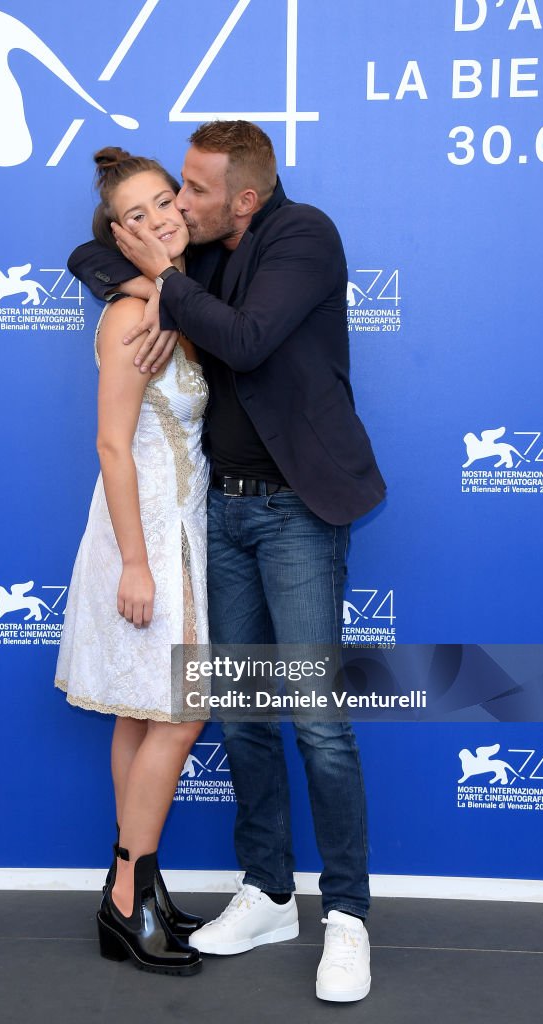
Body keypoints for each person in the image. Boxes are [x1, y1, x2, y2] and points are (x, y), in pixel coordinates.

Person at [68, 121, 386, 1003]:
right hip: (215, 517)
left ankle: (348, 917)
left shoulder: (300, 237)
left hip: (294, 512)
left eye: (189, 195)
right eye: (165, 199)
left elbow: (243, 342)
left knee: (315, 720)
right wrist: (146, 279)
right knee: (241, 716)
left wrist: (165, 282)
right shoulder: (188, 262)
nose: (179, 210)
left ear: (241, 198)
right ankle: (269, 893)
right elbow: (86, 257)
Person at [55, 146, 210, 976]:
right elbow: (112, 444)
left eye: (165, 202)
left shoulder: (178, 299)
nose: (159, 220)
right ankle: (127, 894)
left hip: (182, 526)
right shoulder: (127, 313)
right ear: (117, 233)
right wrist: (137, 565)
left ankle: (136, 891)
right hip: (143, 533)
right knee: (180, 716)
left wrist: (160, 288)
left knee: (143, 715)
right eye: (137, 214)